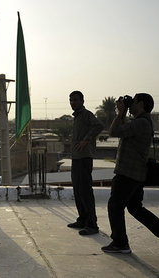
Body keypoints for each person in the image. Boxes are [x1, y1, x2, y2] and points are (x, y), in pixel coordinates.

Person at [102, 93, 159, 256]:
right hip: (136, 174)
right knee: (135, 208)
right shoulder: (140, 123)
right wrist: (123, 113)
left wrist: (120, 112)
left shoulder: (141, 123)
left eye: (134, 101)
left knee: (115, 206)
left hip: (128, 173)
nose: (131, 103)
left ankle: (120, 243)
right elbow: (123, 130)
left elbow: (114, 131)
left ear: (141, 104)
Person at [68, 90, 104, 236]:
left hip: (84, 158)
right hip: (76, 158)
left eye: (75, 100)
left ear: (82, 101)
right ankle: (82, 219)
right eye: (71, 100)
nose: (73, 102)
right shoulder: (77, 117)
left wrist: (86, 140)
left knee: (85, 191)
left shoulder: (86, 114)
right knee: (77, 190)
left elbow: (98, 126)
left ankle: (92, 224)